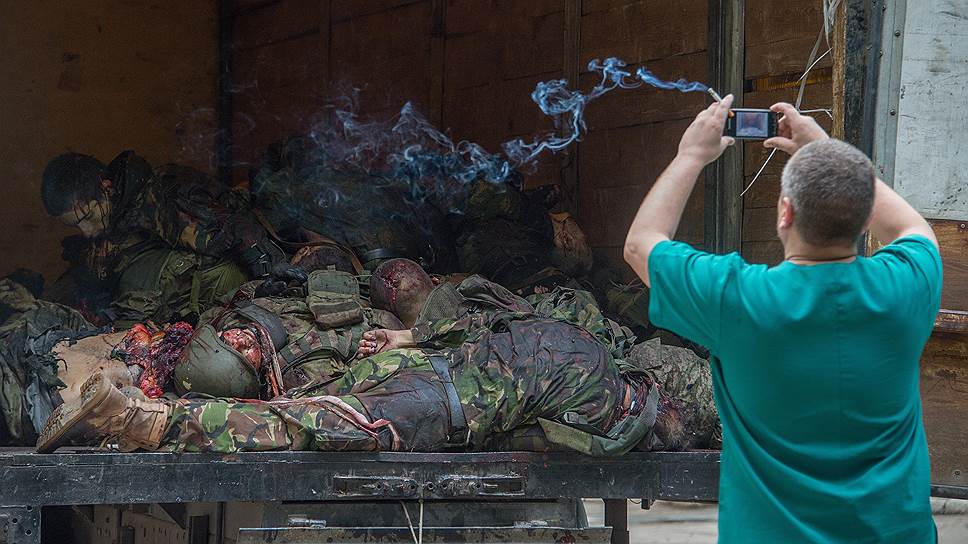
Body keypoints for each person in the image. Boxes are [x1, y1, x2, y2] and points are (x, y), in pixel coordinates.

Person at [623, 96, 940, 542]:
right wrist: (825, 151)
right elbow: (912, 228)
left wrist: (690, 156)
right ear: (864, 216)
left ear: (784, 213)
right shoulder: (908, 288)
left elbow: (640, 244)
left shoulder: (738, 300)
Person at [41, 151, 288, 322]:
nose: (87, 231)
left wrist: (269, 272)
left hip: (226, 272)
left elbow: (234, 229)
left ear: (107, 187)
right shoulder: (114, 217)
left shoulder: (161, 197)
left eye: (88, 217)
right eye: (76, 226)